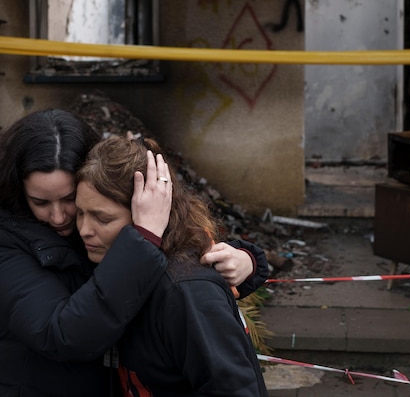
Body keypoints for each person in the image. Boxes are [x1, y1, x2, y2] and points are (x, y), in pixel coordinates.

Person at [0, 109, 266, 396]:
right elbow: (63, 335)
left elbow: (180, 269)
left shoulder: (111, 227)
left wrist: (244, 261)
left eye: (69, 200)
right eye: (40, 202)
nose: (59, 218)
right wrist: (142, 239)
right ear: (17, 189)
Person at [75, 135, 269, 397]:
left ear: (149, 214)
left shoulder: (185, 291)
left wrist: (249, 259)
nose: (84, 230)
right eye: (80, 213)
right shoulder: (106, 262)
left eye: (103, 219)